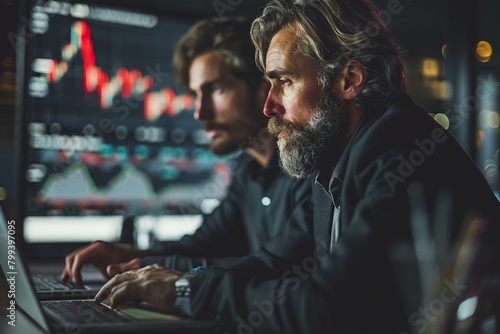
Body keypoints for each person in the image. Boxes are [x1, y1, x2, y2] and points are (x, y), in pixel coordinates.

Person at [95, 0, 500, 333]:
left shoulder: (400, 153)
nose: (269, 105)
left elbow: (327, 307)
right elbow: (271, 262)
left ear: (348, 81)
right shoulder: (334, 162)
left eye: (284, 81)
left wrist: (186, 292)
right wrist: (162, 278)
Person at [61, 18, 312, 286]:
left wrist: (149, 266)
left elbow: (272, 267)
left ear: (264, 89)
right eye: (196, 94)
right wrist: (130, 254)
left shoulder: (307, 169)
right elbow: (199, 248)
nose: (200, 113)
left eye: (215, 89)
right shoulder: (249, 172)